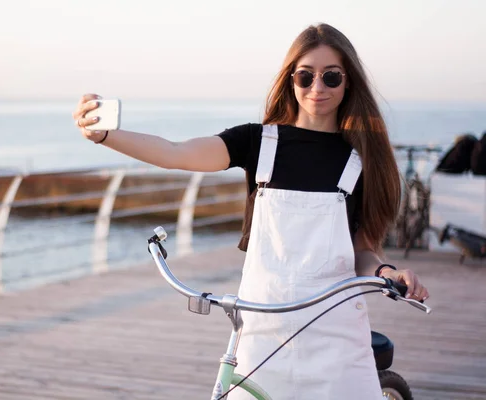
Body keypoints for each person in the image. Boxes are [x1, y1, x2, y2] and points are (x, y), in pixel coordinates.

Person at [73, 23, 429, 400]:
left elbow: (360, 250)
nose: (317, 88)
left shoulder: (361, 159)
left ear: (348, 82)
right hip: (261, 332)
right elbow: (176, 153)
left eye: (331, 77)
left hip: (337, 337)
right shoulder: (259, 142)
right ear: (291, 79)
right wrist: (106, 136)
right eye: (305, 76)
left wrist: (386, 271)